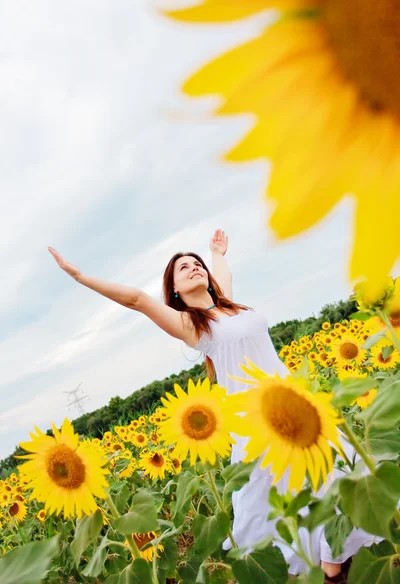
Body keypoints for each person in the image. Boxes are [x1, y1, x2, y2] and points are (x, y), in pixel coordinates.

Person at [48, 230, 374, 582]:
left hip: (296, 402)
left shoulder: (229, 307)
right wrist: (80, 277)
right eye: (183, 268)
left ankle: (334, 563)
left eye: (197, 264)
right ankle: (330, 569)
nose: (193, 268)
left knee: (340, 472)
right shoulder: (193, 325)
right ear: (173, 289)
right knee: (288, 492)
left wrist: (217, 253)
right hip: (257, 419)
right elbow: (137, 300)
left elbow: (224, 276)